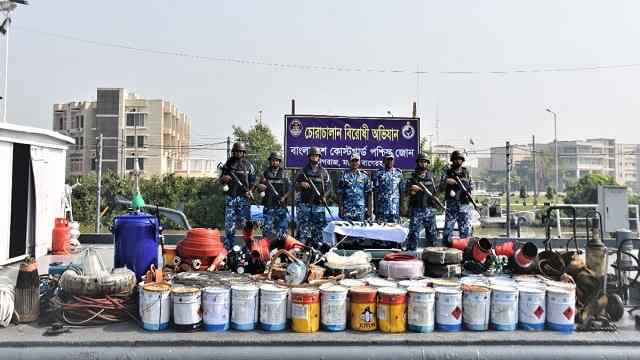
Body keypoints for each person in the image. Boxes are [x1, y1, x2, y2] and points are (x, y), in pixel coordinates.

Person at [219, 142, 256, 250]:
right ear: (233, 152)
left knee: (247, 226)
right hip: (231, 198)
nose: (238, 153)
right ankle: (228, 249)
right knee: (229, 226)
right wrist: (224, 179)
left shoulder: (249, 165)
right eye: (236, 151)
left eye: (240, 151)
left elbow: (254, 181)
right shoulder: (228, 164)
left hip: (244, 199)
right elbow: (220, 180)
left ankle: (249, 249)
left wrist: (250, 191)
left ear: (244, 152)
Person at [294, 146, 332, 248]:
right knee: (303, 232)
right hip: (305, 205)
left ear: (319, 157)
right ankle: (299, 253)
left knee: (318, 232)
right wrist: (301, 184)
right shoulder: (303, 171)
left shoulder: (324, 172)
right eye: (312, 155)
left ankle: (317, 253)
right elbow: (294, 185)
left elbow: (329, 188)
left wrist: (325, 196)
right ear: (309, 157)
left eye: (316, 155)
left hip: (318, 206)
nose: (314, 157)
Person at [405, 153, 439, 250]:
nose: (423, 164)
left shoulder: (433, 177)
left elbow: (437, 191)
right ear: (418, 163)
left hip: (430, 209)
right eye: (421, 162)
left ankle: (432, 255)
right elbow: (406, 193)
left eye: (425, 162)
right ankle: (411, 255)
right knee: (413, 235)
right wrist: (412, 189)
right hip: (416, 209)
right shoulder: (412, 177)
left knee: (432, 236)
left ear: (427, 163)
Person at [441, 150, 474, 245]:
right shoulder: (447, 172)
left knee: (465, 230)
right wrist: (447, 181)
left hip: (464, 204)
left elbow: (471, 186)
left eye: (459, 159)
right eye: (455, 159)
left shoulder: (466, 172)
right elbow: (440, 186)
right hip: (452, 204)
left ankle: (465, 251)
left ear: (462, 160)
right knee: (448, 229)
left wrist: (469, 192)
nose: (457, 161)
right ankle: (446, 249)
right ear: (452, 160)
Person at [257, 151, 291, 240]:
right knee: (266, 231)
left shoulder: (285, 174)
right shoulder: (265, 174)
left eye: (276, 160)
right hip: (268, 206)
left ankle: (281, 251)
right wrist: (260, 188)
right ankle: (266, 251)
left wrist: (284, 198)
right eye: (273, 160)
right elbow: (259, 190)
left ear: (279, 162)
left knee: (282, 232)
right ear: (270, 161)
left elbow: (290, 189)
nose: (274, 162)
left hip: (281, 207)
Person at [337, 153, 372, 222]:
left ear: (359, 162)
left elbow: (369, 194)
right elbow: (340, 194)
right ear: (349, 162)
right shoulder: (344, 175)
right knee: (346, 231)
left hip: (361, 209)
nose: (354, 163)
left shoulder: (364, 176)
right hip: (347, 209)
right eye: (353, 161)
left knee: (359, 231)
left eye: (356, 161)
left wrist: (370, 210)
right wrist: (340, 208)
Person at [372, 153, 405, 223]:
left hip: (395, 209)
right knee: (381, 231)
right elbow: (375, 193)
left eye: (391, 159)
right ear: (384, 161)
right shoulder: (378, 174)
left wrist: (402, 207)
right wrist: (375, 208)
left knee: (394, 231)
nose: (389, 161)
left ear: (393, 161)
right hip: (382, 210)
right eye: (387, 159)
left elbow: (402, 191)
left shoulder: (399, 173)